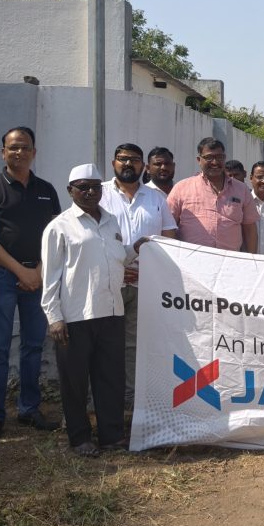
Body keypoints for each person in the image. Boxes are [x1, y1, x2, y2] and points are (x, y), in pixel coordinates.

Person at [0, 126, 62, 442]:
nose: (19, 152)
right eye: (13, 147)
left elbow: (55, 236)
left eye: (25, 147)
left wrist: (38, 270)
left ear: (34, 152)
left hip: (38, 275)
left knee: (33, 345)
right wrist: (19, 272)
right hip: (1, 275)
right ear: (3, 153)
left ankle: (29, 408)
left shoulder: (46, 189)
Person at [42, 164, 136, 457]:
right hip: (76, 316)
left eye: (95, 187)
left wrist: (138, 247)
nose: (90, 192)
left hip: (111, 311)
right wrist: (54, 317)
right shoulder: (59, 226)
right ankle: (79, 436)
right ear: (70, 191)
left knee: (110, 378)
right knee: (75, 381)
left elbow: (117, 257)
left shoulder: (111, 221)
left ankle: (111, 435)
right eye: (83, 187)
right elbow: (50, 277)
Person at [100, 143, 177, 407]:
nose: (128, 164)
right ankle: (103, 399)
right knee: (105, 343)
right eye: (122, 159)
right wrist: (121, 267)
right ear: (113, 163)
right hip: (109, 283)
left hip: (146, 285)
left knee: (135, 345)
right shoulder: (99, 194)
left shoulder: (157, 199)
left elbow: (169, 240)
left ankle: (131, 401)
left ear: (143, 166)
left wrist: (151, 272)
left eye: (134, 159)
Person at [168, 138, 259, 253]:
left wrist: (251, 259)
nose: (215, 162)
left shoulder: (241, 189)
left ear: (224, 158)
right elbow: (168, 226)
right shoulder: (181, 188)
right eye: (209, 157)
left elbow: (250, 229)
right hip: (191, 260)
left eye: (219, 157)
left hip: (229, 260)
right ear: (199, 160)